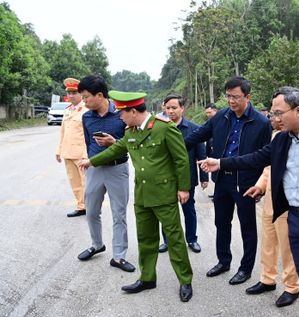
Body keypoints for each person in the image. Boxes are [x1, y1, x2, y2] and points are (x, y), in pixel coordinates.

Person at [199, 86, 299, 317]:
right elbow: (255, 158)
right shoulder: (281, 139)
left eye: (279, 114)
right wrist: (221, 163)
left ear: (298, 110)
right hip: (295, 215)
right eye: (272, 113)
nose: (274, 119)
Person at [78, 90, 194, 302]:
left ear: (133, 111)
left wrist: (183, 188)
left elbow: (181, 160)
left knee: (175, 239)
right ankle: (147, 277)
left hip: (164, 194)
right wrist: (91, 161)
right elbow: (115, 150)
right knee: (146, 239)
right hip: (142, 195)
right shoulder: (130, 132)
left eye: (122, 113)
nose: (119, 117)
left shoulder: (164, 128)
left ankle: (185, 280)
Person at [185, 76, 271, 285]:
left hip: (245, 181)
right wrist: (172, 146)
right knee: (221, 222)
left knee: (247, 227)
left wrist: (260, 184)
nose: (231, 101)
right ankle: (223, 261)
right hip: (222, 179)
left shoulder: (261, 123)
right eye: (228, 97)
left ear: (248, 97)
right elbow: (198, 135)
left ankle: (246, 269)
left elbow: (264, 156)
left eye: (236, 97)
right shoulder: (221, 116)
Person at [77, 75, 135, 273]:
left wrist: (114, 142)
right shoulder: (86, 117)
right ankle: (96, 244)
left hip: (117, 169)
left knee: (119, 213)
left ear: (99, 95)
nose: (84, 102)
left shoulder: (121, 114)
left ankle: (119, 256)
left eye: (86, 98)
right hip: (94, 169)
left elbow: (132, 144)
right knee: (91, 210)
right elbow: (88, 142)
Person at [244, 112, 299, 309]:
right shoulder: (277, 137)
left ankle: (292, 287)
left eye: (277, 114)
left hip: (286, 202)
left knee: (287, 248)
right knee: (268, 242)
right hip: (270, 200)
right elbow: (268, 168)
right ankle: (267, 279)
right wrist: (259, 186)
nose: (273, 119)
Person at [158, 95, 208, 254]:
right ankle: (167, 241)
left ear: (182, 109)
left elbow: (201, 154)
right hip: (164, 177)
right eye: (168, 108)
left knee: (189, 209)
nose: (171, 111)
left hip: (187, 177)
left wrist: (204, 177)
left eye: (174, 108)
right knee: (166, 211)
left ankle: (192, 239)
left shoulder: (193, 129)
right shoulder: (158, 127)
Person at [56, 78, 87, 217]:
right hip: (68, 152)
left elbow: (89, 134)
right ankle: (81, 206)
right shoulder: (67, 110)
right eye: (69, 92)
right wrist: (59, 150)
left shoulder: (86, 110)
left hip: (82, 154)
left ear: (80, 93)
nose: (71, 95)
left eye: (74, 92)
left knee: (86, 182)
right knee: (74, 182)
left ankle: (90, 206)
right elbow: (63, 131)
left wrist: (88, 154)